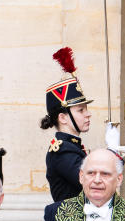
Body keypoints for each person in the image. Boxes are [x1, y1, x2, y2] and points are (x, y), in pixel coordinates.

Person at [41, 47, 92, 202]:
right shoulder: (62, 151)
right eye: (81, 110)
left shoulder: (72, 146)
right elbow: (91, 183)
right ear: (63, 118)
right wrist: (112, 157)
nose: (88, 114)